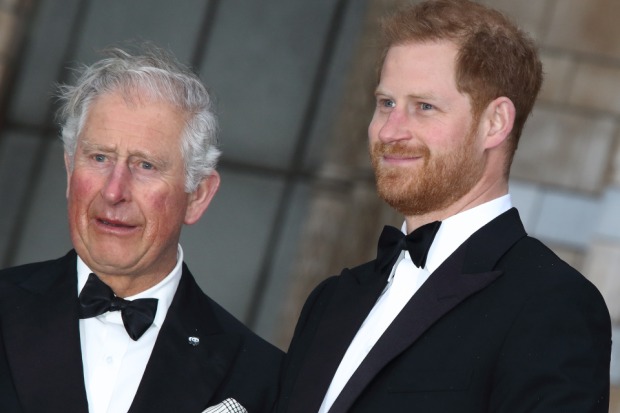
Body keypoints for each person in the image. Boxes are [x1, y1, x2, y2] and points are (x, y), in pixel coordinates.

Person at [275, 1, 612, 412]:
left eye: (424, 107)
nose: (390, 130)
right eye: (386, 103)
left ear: (495, 123)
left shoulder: (552, 305)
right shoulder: (332, 298)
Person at [0, 44, 282, 413]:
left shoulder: (261, 378)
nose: (114, 190)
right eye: (100, 158)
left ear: (197, 196)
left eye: (146, 165)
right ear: (70, 171)